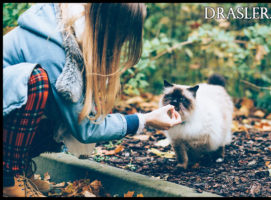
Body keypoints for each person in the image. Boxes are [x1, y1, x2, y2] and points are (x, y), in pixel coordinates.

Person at [3, 3, 182, 197]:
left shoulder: (71, 34)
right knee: (36, 82)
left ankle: (19, 169)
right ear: (111, 27)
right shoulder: (53, 46)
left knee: (56, 103)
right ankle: (8, 178)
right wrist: (144, 120)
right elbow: (85, 127)